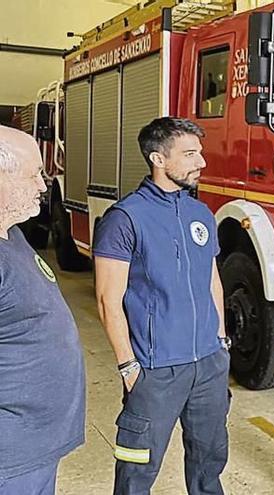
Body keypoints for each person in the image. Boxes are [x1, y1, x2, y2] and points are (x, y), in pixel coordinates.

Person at [93, 117, 230, 494]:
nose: (201, 161)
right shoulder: (125, 218)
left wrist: (221, 343)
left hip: (208, 363)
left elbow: (211, 279)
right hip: (156, 369)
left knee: (209, 460)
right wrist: (128, 366)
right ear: (157, 158)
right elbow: (108, 299)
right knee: (137, 468)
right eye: (189, 154)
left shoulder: (199, 212)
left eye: (199, 152)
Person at [0, 126, 85, 494]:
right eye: (33, 173)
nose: (42, 185)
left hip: (32, 448)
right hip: (10, 456)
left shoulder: (12, 233)